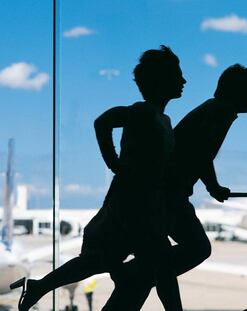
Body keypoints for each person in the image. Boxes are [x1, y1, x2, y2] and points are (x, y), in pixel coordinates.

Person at [10, 45, 186, 311]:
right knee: (154, 268)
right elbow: (102, 122)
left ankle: (39, 286)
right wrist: (114, 162)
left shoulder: (162, 118)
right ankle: (39, 286)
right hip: (135, 206)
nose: (183, 81)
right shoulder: (142, 112)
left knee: (101, 262)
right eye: (177, 75)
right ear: (160, 81)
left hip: (142, 205)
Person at [102, 63, 247, 310]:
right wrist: (213, 186)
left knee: (152, 273)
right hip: (169, 195)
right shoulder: (221, 111)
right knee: (194, 250)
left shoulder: (213, 108)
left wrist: (212, 186)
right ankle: (135, 270)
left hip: (167, 193)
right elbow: (201, 152)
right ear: (235, 91)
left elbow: (200, 153)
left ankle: (136, 271)